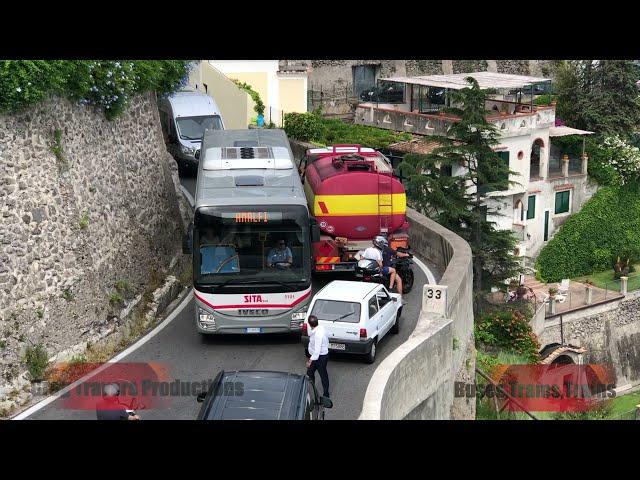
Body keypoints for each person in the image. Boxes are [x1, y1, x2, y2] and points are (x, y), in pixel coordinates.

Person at [305, 315, 330, 398]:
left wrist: (309, 361)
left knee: (323, 375)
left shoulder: (318, 335)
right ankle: (312, 391)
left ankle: (326, 394)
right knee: (310, 373)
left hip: (320, 357)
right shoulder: (320, 328)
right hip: (316, 356)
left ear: (310, 324)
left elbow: (317, 351)